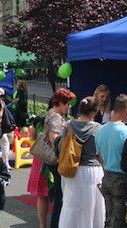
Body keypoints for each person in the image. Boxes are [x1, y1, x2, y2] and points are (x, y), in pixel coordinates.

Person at [58, 97, 104, 228]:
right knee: (93, 207)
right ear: (94, 111)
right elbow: (100, 154)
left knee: (71, 204)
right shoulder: (99, 129)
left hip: (73, 170)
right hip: (93, 171)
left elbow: (61, 146)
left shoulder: (69, 125)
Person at [95, 94, 127, 228]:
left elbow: (100, 157)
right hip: (122, 179)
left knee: (109, 216)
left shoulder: (100, 131)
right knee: (120, 219)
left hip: (106, 176)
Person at [41, 88, 73, 228]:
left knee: (60, 197)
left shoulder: (52, 114)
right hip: (56, 161)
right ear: (60, 103)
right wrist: (62, 157)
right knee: (60, 198)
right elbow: (54, 139)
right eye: (67, 104)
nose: (69, 106)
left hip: (55, 161)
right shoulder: (55, 117)